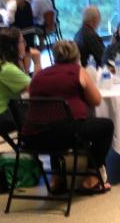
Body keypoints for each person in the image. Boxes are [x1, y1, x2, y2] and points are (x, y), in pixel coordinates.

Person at [27, 40, 113, 192]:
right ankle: (91, 176)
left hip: (32, 138)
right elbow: (96, 100)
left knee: (52, 121)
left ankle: (56, 178)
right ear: (77, 55)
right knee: (106, 126)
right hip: (64, 137)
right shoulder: (78, 71)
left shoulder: (39, 76)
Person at [0, 28, 42, 136]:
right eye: (22, 41)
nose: (25, 44)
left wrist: (24, 61)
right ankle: (32, 143)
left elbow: (24, 82)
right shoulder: (5, 68)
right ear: (12, 47)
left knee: (33, 108)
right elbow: (36, 88)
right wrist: (37, 62)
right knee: (43, 110)